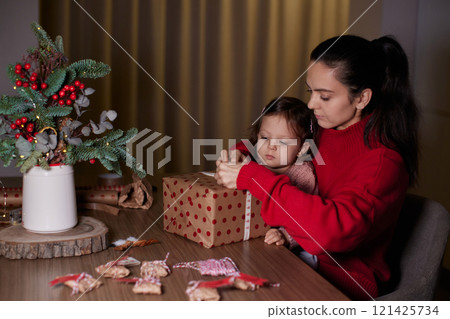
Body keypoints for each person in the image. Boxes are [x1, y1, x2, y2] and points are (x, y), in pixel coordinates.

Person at [215, 35, 419, 300]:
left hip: (342, 280)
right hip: (294, 252)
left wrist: (254, 177)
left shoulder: (383, 161)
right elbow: (268, 137)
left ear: (362, 98)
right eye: (311, 92)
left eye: (324, 96)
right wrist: (239, 156)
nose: (311, 105)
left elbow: (329, 233)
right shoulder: (324, 127)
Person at [245, 96, 319, 267]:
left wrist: (287, 236)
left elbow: (306, 220)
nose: (271, 146)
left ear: (302, 149)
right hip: (259, 239)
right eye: (265, 138)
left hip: (298, 247)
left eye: (283, 142)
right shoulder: (256, 163)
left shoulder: (303, 175)